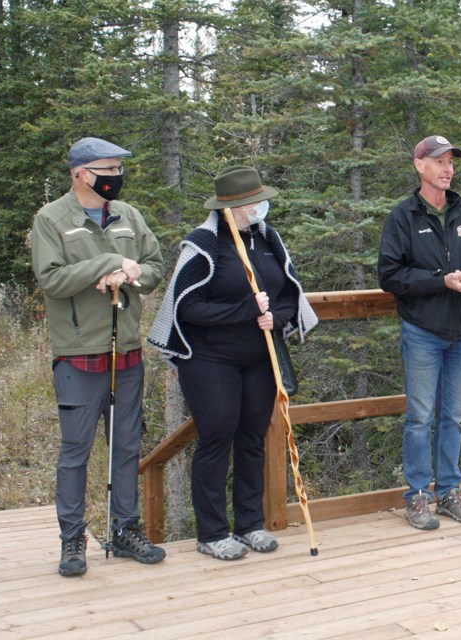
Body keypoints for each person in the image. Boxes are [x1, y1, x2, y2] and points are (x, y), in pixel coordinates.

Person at [148, 165, 318, 560]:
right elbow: (184, 308)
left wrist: (277, 316)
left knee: (252, 437)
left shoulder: (268, 240)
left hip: (259, 356)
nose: (262, 207)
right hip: (210, 358)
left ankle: (249, 524)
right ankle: (211, 532)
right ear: (234, 208)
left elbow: (290, 292)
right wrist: (243, 310)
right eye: (255, 202)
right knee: (216, 436)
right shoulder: (203, 245)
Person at [30, 137, 166, 577]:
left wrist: (132, 273)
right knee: (76, 450)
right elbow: (51, 279)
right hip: (78, 354)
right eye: (107, 170)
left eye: (118, 170)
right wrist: (105, 264)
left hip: (126, 351)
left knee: (125, 447)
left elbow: (154, 267)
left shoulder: (130, 216)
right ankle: (72, 539)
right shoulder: (51, 219)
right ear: (81, 174)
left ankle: (125, 529)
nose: (116, 178)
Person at [378, 135, 461, 530]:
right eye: (439, 161)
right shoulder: (403, 216)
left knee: (454, 416)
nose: (448, 168)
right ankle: (416, 496)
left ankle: (449, 491)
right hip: (423, 332)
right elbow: (390, 275)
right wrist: (440, 281)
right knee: (419, 417)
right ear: (419, 165)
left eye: (451, 161)